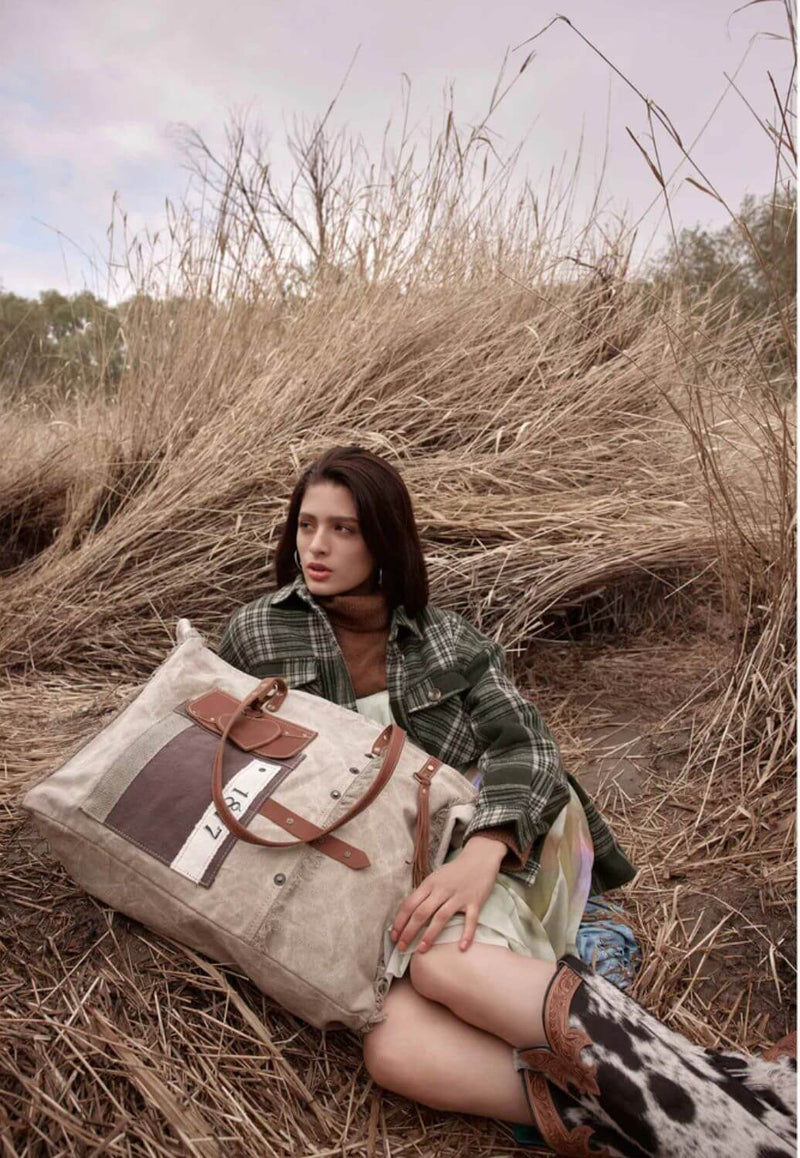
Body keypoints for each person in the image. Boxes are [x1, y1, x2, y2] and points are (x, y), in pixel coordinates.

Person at [218, 446, 796, 1157]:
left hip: (507, 829)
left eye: (344, 529)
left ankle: (734, 1140)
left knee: (441, 965)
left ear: (385, 539)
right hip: (390, 863)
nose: (317, 546)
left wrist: (485, 850)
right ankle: (724, 1100)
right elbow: (222, 755)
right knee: (396, 1049)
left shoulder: (448, 640)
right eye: (307, 525)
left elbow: (531, 749)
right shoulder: (256, 632)